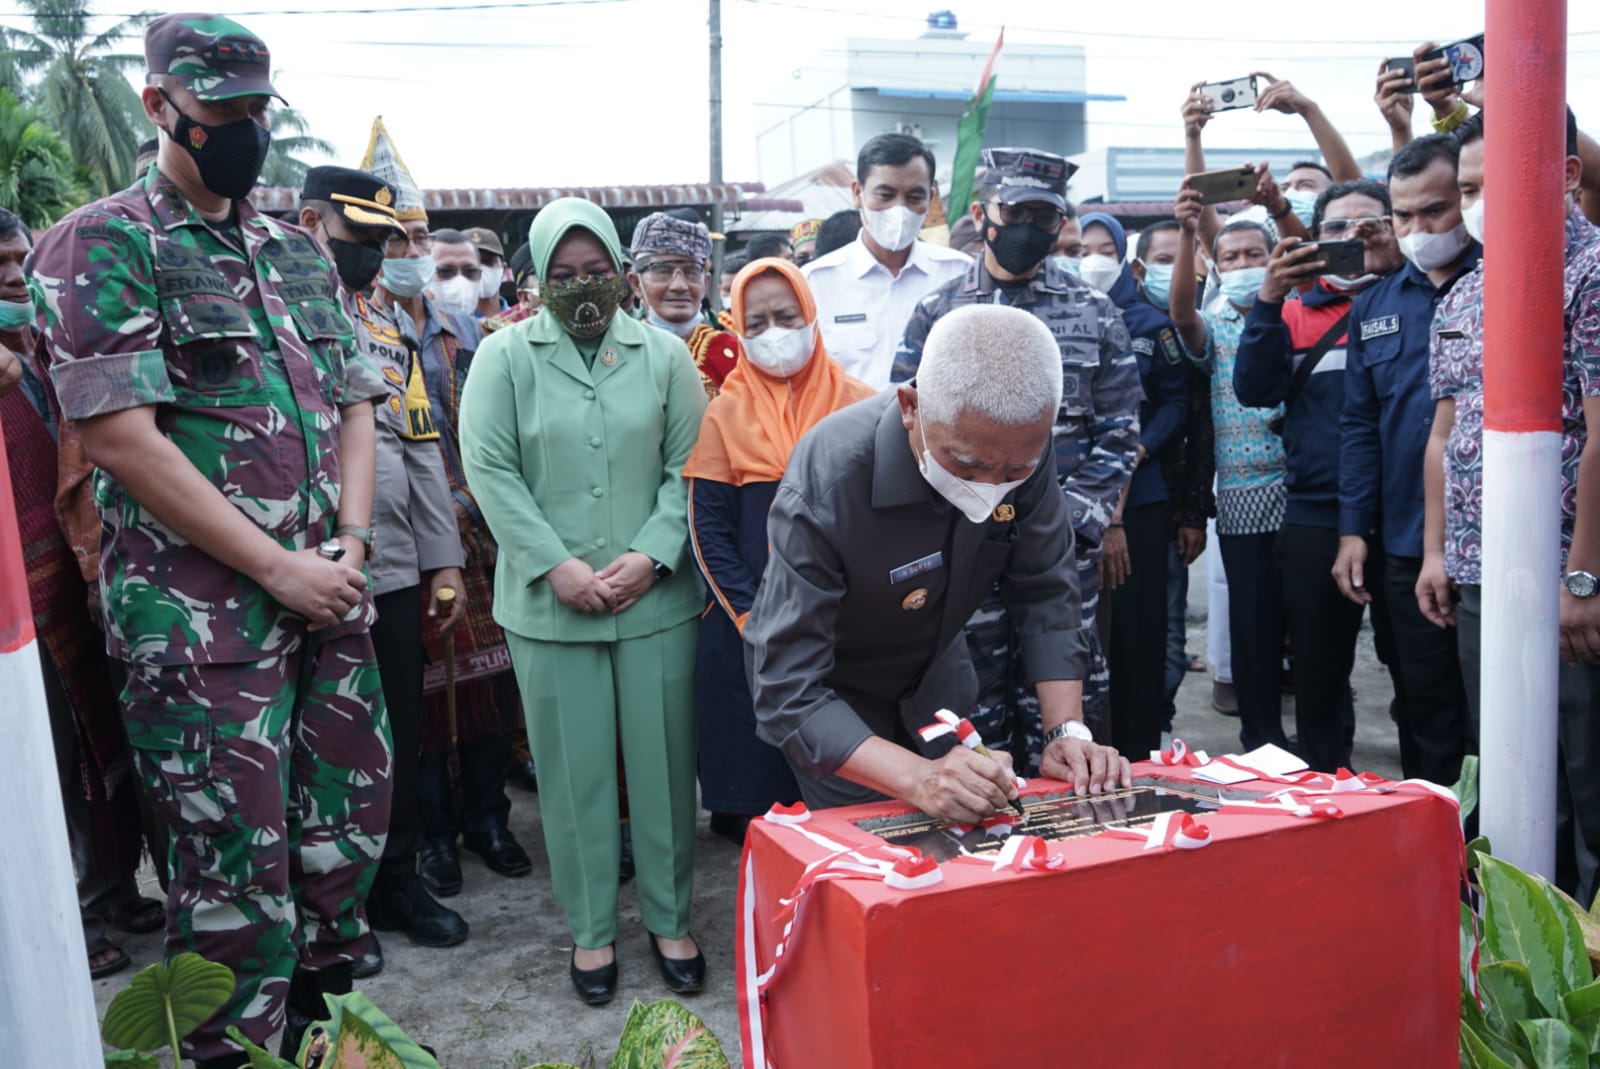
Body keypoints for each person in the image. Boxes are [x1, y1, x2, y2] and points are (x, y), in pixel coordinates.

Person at [28, 16, 392, 1065]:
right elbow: (119, 440)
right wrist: (280, 566)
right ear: (160, 107)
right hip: (204, 636)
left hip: (330, 601)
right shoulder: (103, 242)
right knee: (235, 887)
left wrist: (353, 547)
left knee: (338, 855)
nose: (243, 130)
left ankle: (320, 1041)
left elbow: (357, 401)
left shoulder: (295, 251)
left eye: (255, 111)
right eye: (221, 111)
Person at [459, 197, 709, 1006]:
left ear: (622, 273)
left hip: (656, 600)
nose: (581, 288)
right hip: (551, 607)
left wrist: (649, 555)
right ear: (536, 279)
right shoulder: (503, 358)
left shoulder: (665, 357)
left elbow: (690, 468)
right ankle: (592, 929)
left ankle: (671, 918)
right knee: (573, 776)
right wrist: (555, 566)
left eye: (596, 272)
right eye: (562, 276)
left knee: (666, 766)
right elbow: (489, 470)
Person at [746, 303, 1131, 817]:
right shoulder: (830, 479)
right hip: (836, 701)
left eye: (1015, 469)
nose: (992, 488)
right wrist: (918, 778)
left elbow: (1047, 593)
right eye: (966, 465)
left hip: (938, 683)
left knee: (974, 836)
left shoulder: (1016, 452)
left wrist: (1066, 731)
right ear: (910, 407)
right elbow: (787, 688)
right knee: (883, 854)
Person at [891, 147, 1140, 771]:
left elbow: (1121, 429)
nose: (1030, 227)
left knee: (1064, 697)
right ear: (983, 214)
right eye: (1017, 211)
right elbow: (909, 422)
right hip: (962, 545)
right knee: (970, 706)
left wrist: (1075, 521)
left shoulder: (1094, 311)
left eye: (1045, 216)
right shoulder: (938, 312)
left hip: (1060, 550)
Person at [1420, 111, 1600, 900]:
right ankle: (1521, 971)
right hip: (1480, 573)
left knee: (1587, 779)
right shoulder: (1463, 293)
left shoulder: (1591, 274)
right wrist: (1435, 552)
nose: (1483, 202)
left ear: (1565, 175)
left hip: (1567, 574)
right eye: (1470, 188)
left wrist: (1583, 576)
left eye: (1505, 182)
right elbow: (1443, 436)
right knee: (1512, 776)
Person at [298, 166, 471, 974]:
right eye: (359, 237)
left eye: (383, 239)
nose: (373, 254)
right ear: (311, 224)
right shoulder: (270, 311)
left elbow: (421, 449)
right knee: (314, 749)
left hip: (393, 568)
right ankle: (325, 906)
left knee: (394, 734)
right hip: (291, 569)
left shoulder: (385, 331)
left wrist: (444, 562)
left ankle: (394, 881)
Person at [363, 118, 531, 900]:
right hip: (413, 540)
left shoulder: (477, 333)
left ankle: (488, 817)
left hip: (486, 529)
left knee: (494, 681)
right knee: (425, 692)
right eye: (396, 239)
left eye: (420, 238)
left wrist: (476, 499)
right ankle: (432, 835)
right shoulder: (364, 330)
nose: (412, 253)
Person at [3, 209, 160, 982]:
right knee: (48, 764)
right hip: (15, 610)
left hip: (73, 583)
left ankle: (113, 885)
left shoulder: (39, 350)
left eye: (18, 261)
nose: (11, 277)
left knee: (103, 750)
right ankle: (73, 910)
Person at [683, 257, 875, 843]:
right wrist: (753, 618)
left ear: (812, 316)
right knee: (760, 802)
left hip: (846, 623)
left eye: (786, 316)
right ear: (737, 330)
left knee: (843, 791)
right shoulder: (724, 413)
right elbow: (708, 531)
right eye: (757, 322)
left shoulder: (864, 407)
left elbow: (883, 523)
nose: (774, 334)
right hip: (750, 623)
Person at [1233, 178, 1404, 773]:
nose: (1351, 237)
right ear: (1314, 236)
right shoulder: (1294, 310)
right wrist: (1266, 298)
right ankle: (1330, 794)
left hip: (1406, 513)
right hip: (1316, 510)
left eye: (1368, 223)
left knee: (1416, 669)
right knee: (1319, 673)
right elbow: (1254, 389)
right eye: (1335, 228)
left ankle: (1438, 806)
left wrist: (1396, 264)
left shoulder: (1417, 297)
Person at [1331, 136, 1478, 787]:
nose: (1420, 230)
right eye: (1404, 216)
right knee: (1426, 714)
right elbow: (1360, 425)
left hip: (1496, 542)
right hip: (1405, 544)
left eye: (1436, 211)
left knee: (1507, 716)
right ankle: (1445, 863)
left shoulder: (1508, 282)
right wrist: (1351, 529)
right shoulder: (1376, 306)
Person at [1170, 193, 1291, 755]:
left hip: (1303, 488)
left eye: (1255, 254)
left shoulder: (1298, 311)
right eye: (1234, 257)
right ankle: (1261, 735)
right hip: (1242, 490)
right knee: (1253, 622)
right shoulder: (1213, 324)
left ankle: (1322, 739)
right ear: (1217, 268)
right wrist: (1188, 235)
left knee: (1310, 622)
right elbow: (1181, 317)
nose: (1245, 265)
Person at [1077, 212, 1189, 753]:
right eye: (1083, 248)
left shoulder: (1151, 323)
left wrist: (1141, 445)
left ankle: (1142, 750)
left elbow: (1178, 402)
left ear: (1124, 255)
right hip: (1075, 498)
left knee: (1141, 633)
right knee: (1080, 637)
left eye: (1105, 248)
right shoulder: (1068, 316)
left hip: (1139, 501)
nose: (1093, 258)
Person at [803, 133, 970, 388]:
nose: (899, 210)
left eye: (914, 197)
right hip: (852, 426)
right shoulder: (816, 282)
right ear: (858, 193)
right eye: (885, 195)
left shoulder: (959, 273)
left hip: (933, 426)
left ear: (931, 196)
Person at [627, 211, 741, 397]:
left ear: (705, 283)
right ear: (636, 284)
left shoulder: (736, 356)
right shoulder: (618, 354)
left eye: (691, 272)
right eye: (662, 271)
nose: (679, 286)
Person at [427, 227, 484, 317]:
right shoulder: (403, 329)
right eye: (445, 272)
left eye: (470, 271)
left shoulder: (493, 330)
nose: (460, 282)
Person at [463, 225, 509, 317]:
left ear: (503, 270)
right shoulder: (450, 325)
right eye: (471, 263)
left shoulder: (519, 320)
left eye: (488, 261)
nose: (480, 268)